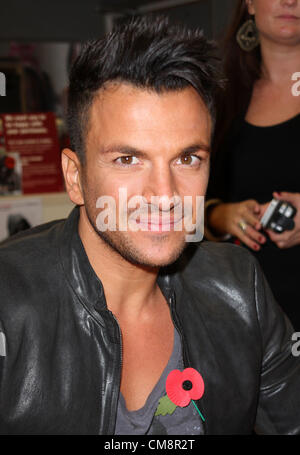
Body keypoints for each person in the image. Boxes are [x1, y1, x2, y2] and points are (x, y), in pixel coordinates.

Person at [0, 15, 299, 436]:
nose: (165, 194)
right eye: (128, 160)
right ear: (74, 177)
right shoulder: (8, 302)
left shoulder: (238, 286)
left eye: (187, 159)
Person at [206, 0, 300, 330]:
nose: (291, 1)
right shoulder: (218, 97)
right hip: (245, 316)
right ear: (248, 3)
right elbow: (184, 205)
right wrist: (222, 216)